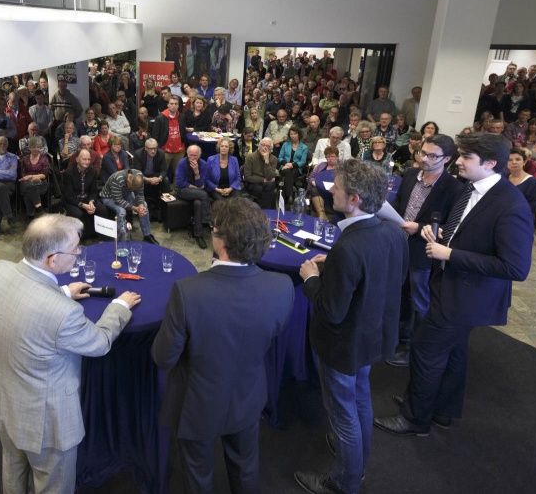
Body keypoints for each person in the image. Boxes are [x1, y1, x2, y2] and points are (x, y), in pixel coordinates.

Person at [374, 134, 533, 437]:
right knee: (454, 353)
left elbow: (515, 267)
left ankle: (415, 417)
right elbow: (466, 229)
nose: (458, 162)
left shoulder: (511, 204)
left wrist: (451, 253)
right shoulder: (471, 189)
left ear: (490, 164)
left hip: (467, 296)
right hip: (450, 286)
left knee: (424, 349)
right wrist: (442, 235)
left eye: (466, 157)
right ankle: (440, 410)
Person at [0, 215, 140, 494]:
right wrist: (119, 306)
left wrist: (62, 292)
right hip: (45, 422)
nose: (79, 252)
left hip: (4, 401)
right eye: (75, 249)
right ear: (52, 259)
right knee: (52, 484)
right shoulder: (64, 314)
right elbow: (100, 342)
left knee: (13, 467)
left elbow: (26, 301)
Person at [152, 198, 293, 494]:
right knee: (245, 469)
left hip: (196, 404)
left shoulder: (187, 291)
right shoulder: (282, 287)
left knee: (198, 476)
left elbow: (163, 357)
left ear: (222, 241)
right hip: (248, 396)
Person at [294, 159, 409, 494]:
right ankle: (357, 461)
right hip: (374, 337)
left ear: (355, 198)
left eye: (338, 187)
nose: (331, 189)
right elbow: (391, 277)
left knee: (343, 414)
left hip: (343, 344)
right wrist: (337, 265)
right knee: (361, 400)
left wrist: (312, 279)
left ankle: (343, 482)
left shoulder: (348, 246)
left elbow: (330, 310)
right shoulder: (392, 231)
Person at [386, 135, 463, 368]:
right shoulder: (410, 174)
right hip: (400, 244)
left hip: (423, 252)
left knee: (420, 302)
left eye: (432, 156)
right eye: (422, 153)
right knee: (399, 294)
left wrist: (418, 227)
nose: (424, 159)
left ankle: (414, 350)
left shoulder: (454, 188)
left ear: (447, 159)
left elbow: (450, 226)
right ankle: (398, 336)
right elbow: (400, 203)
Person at [99, 169, 160, 245]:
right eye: (131, 188)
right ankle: (123, 238)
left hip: (125, 194)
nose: (133, 190)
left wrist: (140, 207)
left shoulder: (139, 176)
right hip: (109, 197)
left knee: (144, 205)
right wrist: (135, 209)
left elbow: (139, 195)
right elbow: (118, 200)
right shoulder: (118, 179)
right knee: (122, 211)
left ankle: (147, 234)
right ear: (128, 180)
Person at [61, 149, 109, 237]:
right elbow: (68, 196)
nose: (87, 162)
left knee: (102, 210)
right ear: (77, 160)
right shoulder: (69, 173)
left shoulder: (93, 171)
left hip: (87, 198)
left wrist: (91, 202)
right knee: (78, 214)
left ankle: (102, 236)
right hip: (73, 201)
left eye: (89, 159)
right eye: (84, 159)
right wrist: (83, 205)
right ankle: (80, 238)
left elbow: (93, 191)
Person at [175, 146, 213, 249]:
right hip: (183, 191)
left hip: (197, 193)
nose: (192, 158)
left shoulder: (204, 165)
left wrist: (196, 172)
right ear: (187, 155)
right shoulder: (182, 163)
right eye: (190, 155)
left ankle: (199, 235)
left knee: (198, 203)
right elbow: (180, 183)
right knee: (203, 195)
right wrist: (196, 187)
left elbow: (202, 183)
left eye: (195, 155)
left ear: (199, 156)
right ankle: (207, 220)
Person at [153, 95, 187, 179]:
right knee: (162, 174)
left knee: (178, 174)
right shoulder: (160, 118)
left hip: (180, 150)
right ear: (167, 105)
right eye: (171, 103)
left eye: (176, 104)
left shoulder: (182, 117)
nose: (174, 106)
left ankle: (176, 191)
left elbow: (183, 132)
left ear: (178, 105)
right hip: (165, 151)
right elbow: (155, 136)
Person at [133, 139, 168, 220]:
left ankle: (164, 209)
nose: (153, 151)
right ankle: (141, 207)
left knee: (165, 180)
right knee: (138, 180)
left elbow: (163, 170)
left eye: (155, 148)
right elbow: (137, 172)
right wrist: (148, 179)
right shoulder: (138, 154)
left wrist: (159, 178)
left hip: (155, 175)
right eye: (150, 149)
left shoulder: (161, 153)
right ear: (145, 148)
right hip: (143, 175)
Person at [18, 136, 50, 219]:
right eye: (34, 147)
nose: (36, 149)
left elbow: (44, 175)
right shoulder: (24, 159)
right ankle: (40, 210)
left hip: (40, 182)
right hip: (26, 183)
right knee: (30, 187)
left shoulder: (44, 159)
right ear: (30, 148)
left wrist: (31, 176)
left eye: (38, 147)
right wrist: (30, 179)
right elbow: (23, 176)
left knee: (28, 192)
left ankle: (31, 216)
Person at [507, 147, 536, 217]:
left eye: (518, 159)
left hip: (522, 216)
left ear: (524, 162)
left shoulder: (533, 183)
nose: (514, 162)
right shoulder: (503, 178)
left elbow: (535, 206)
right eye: (510, 160)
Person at [243, 138, 278, 209]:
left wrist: (267, 161)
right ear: (259, 146)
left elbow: (269, 177)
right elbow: (247, 176)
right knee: (270, 193)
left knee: (269, 186)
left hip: (268, 184)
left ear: (271, 149)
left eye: (267, 146)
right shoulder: (250, 157)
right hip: (253, 183)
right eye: (262, 145)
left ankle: (264, 212)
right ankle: (269, 212)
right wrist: (263, 180)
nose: (264, 147)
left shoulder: (273, 159)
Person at [278, 127, 309, 203]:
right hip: (284, 167)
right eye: (291, 134)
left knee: (289, 174)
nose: (293, 136)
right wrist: (286, 164)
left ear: (299, 135)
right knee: (288, 172)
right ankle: (290, 195)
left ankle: (286, 198)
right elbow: (280, 157)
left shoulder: (304, 147)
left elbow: (303, 161)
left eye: (295, 134)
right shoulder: (286, 144)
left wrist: (292, 165)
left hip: (296, 168)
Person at [308, 146, 339, 221]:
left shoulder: (342, 167)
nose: (330, 158)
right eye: (327, 157)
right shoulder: (322, 165)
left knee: (315, 191)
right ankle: (322, 214)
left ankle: (322, 216)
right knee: (314, 190)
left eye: (332, 156)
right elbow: (312, 176)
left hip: (334, 190)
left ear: (337, 157)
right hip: (320, 189)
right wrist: (315, 183)